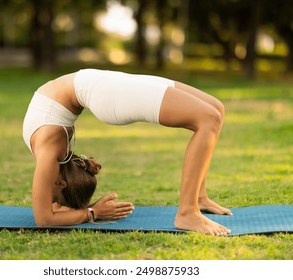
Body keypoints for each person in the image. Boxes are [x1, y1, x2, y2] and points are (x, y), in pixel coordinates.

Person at [22, 68, 232, 236]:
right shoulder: (52, 152)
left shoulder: (49, 155)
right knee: (208, 118)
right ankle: (187, 213)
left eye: (55, 201)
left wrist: (83, 211)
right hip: (101, 88)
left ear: (61, 183)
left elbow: (45, 217)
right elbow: (46, 218)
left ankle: (199, 198)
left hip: (100, 86)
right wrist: (91, 213)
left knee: (216, 108)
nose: (50, 201)